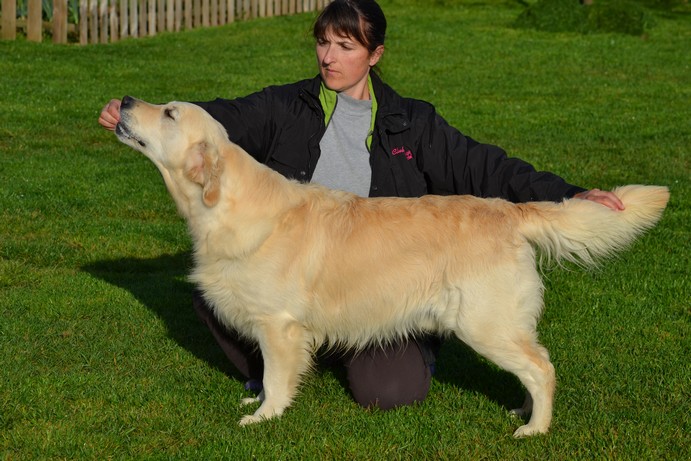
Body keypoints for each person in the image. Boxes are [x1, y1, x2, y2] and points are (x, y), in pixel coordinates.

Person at [99, 0, 623, 411]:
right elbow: (215, 121)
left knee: (389, 392)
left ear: (374, 55)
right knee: (221, 292)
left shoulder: (411, 121)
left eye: (345, 46)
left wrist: (570, 194)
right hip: (298, 278)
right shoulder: (287, 106)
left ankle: (331, 350)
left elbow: (484, 166)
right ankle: (277, 364)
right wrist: (138, 121)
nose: (329, 57)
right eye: (323, 43)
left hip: (379, 286)